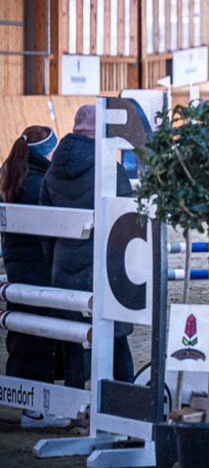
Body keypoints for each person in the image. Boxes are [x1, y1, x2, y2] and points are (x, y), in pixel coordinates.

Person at [39, 105, 135, 389]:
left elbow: (45, 231)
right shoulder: (111, 169)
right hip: (106, 271)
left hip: (65, 268)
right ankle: (126, 396)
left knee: (72, 342)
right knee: (117, 340)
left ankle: (74, 403)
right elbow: (129, 227)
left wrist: (56, 264)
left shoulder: (52, 171)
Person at [0, 125, 69, 428]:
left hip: (20, 266)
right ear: (45, 153)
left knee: (25, 333)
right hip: (36, 267)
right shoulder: (37, 184)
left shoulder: (13, 176)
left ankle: (28, 404)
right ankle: (35, 411)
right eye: (53, 150)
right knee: (38, 335)